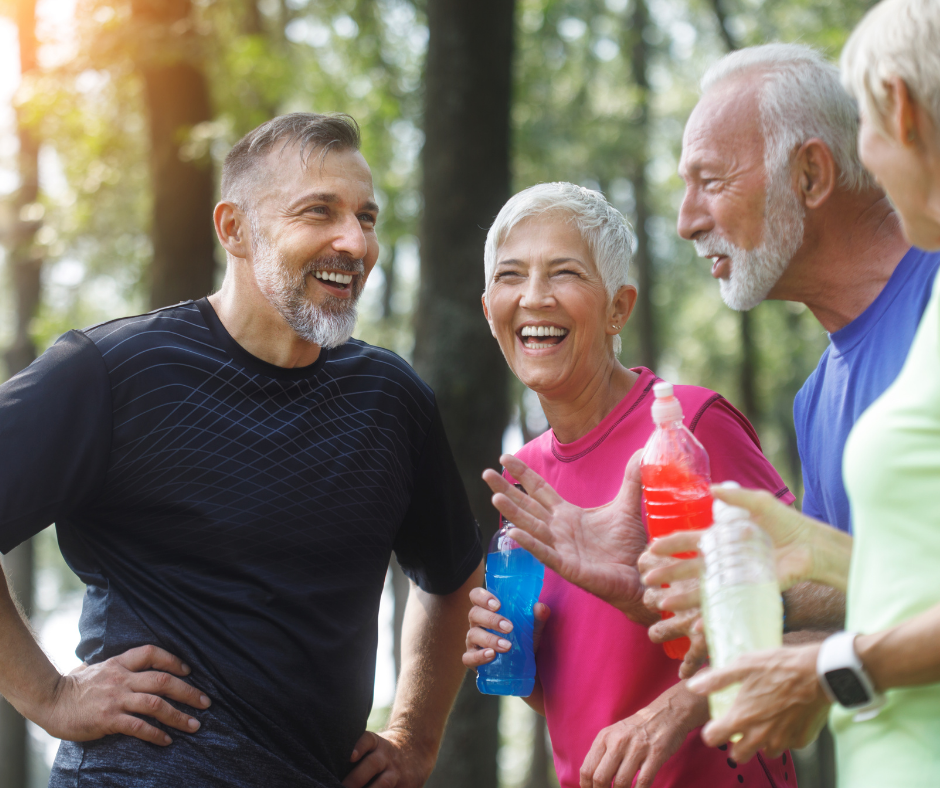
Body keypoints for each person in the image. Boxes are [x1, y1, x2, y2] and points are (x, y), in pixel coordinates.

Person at [0, 113, 483, 788]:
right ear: (234, 229)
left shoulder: (391, 399)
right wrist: (48, 696)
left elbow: (452, 576)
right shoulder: (114, 371)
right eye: (320, 212)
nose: (354, 241)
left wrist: (414, 738)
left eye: (366, 218)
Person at [662, 3, 940, 786]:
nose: (686, 222)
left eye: (709, 182)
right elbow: (884, 594)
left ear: (811, 174)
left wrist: (828, 669)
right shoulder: (817, 397)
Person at [462, 182, 796, 788]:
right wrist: (525, 659)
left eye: (564, 273)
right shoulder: (527, 480)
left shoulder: (689, 430)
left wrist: (677, 707)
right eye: (511, 276)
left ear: (619, 307)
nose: (534, 298)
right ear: (489, 310)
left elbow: (812, 609)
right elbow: (583, 695)